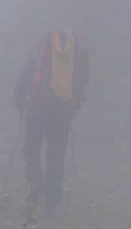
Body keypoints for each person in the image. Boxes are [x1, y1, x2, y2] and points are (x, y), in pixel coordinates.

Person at [14, 26, 88, 219]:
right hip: (63, 112)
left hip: (38, 108)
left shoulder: (44, 50)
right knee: (56, 157)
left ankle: (35, 181)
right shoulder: (77, 54)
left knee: (31, 149)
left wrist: (20, 99)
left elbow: (27, 73)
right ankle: (51, 204)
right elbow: (83, 79)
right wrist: (75, 102)